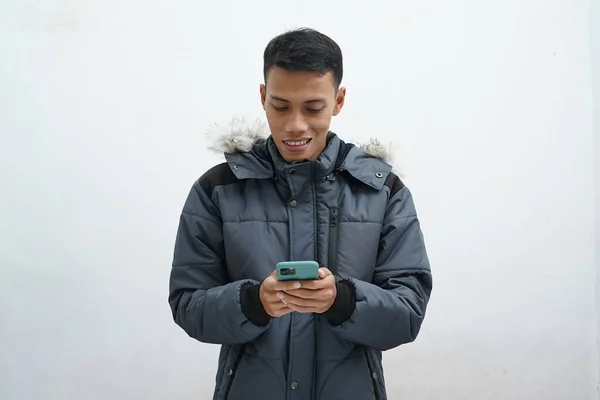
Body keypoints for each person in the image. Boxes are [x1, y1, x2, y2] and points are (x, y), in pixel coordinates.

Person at [168, 27, 432, 400]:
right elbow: (188, 304)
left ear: (338, 100)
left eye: (313, 108)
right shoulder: (219, 189)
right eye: (280, 106)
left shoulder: (383, 191)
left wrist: (341, 300)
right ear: (262, 96)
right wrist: (253, 303)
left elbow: (408, 313)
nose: (295, 125)